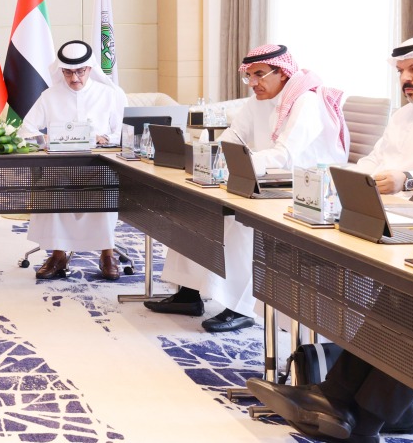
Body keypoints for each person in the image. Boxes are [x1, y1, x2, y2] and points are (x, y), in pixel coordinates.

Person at [247, 34, 413, 443]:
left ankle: (361, 423)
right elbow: (375, 160)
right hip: (400, 226)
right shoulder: (405, 115)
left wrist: (410, 178)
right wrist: (342, 180)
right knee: (392, 308)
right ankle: (333, 399)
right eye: (401, 72)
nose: (406, 80)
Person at [147, 44, 348, 332]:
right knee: (194, 208)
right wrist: (215, 156)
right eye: (249, 76)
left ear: (282, 72)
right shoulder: (259, 99)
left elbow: (286, 156)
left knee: (239, 222)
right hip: (263, 179)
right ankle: (188, 293)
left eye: (259, 75)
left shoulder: (306, 102)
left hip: (305, 190)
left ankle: (239, 308)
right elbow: (234, 135)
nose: (253, 83)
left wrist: (242, 163)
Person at [19, 40, 125, 280]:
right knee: (51, 186)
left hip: (99, 166)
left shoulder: (110, 95)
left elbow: (124, 133)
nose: (74, 78)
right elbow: (25, 129)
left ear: (90, 69)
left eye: (80, 71)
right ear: (61, 71)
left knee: (106, 187)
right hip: (61, 167)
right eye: (68, 72)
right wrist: (44, 138)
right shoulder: (50, 96)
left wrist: (103, 137)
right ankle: (58, 255)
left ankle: (107, 253)